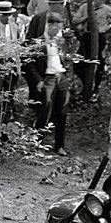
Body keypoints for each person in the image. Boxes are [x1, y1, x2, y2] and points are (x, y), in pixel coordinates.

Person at [26, 12, 74, 156]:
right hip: (47, 78)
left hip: (61, 77)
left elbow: (68, 60)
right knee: (45, 108)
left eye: (59, 29)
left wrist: (68, 75)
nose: (58, 32)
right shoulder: (39, 42)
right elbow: (29, 65)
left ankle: (59, 145)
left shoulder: (61, 43)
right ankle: (36, 142)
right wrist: (38, 80)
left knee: (62, 111)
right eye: (56, 28)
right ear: (50, 25)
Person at [73, 0, 111, 98]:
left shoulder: (106, 9)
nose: (100, 0)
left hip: (100, 37)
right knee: (78, 62)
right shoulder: (85, 7)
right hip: (86, 36)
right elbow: (75, 20)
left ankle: (95, 90)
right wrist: (85, 18)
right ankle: (85, 85)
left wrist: (109, 27)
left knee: (99, 62)